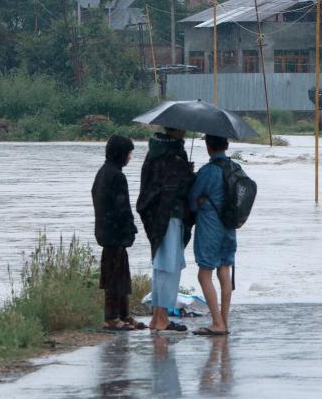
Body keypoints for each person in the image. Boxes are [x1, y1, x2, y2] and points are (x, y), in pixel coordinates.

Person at [137, 127, 196, 333]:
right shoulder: (174, 156)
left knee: (160, 266)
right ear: (177, 129)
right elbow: (175, 189)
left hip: (156, 218)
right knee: (169, 268)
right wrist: (189, 175)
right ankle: (161, 317)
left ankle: (156, 317)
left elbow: (151, 187)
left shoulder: (154, 152)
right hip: (170, 217)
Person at [92, 135, 145, 331]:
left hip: (105, 231)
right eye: (129, 153)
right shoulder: (117, 176)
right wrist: (130, 230)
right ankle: (112, 318)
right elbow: (123, 208)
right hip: (114, 233)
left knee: (121, 274)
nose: (130, 157)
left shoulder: (103, 172)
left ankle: (124, 315)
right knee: (115, 277)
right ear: (121, 154)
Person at [188, 134, 237, 336]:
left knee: (204, 273)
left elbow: (192, 200)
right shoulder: (235, 168)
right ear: (226, 145)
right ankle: (224, 321)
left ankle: (216, 322)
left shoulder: (208, 171)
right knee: (224, 271)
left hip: (210, 227)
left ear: (208, 147)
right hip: (230, 227)